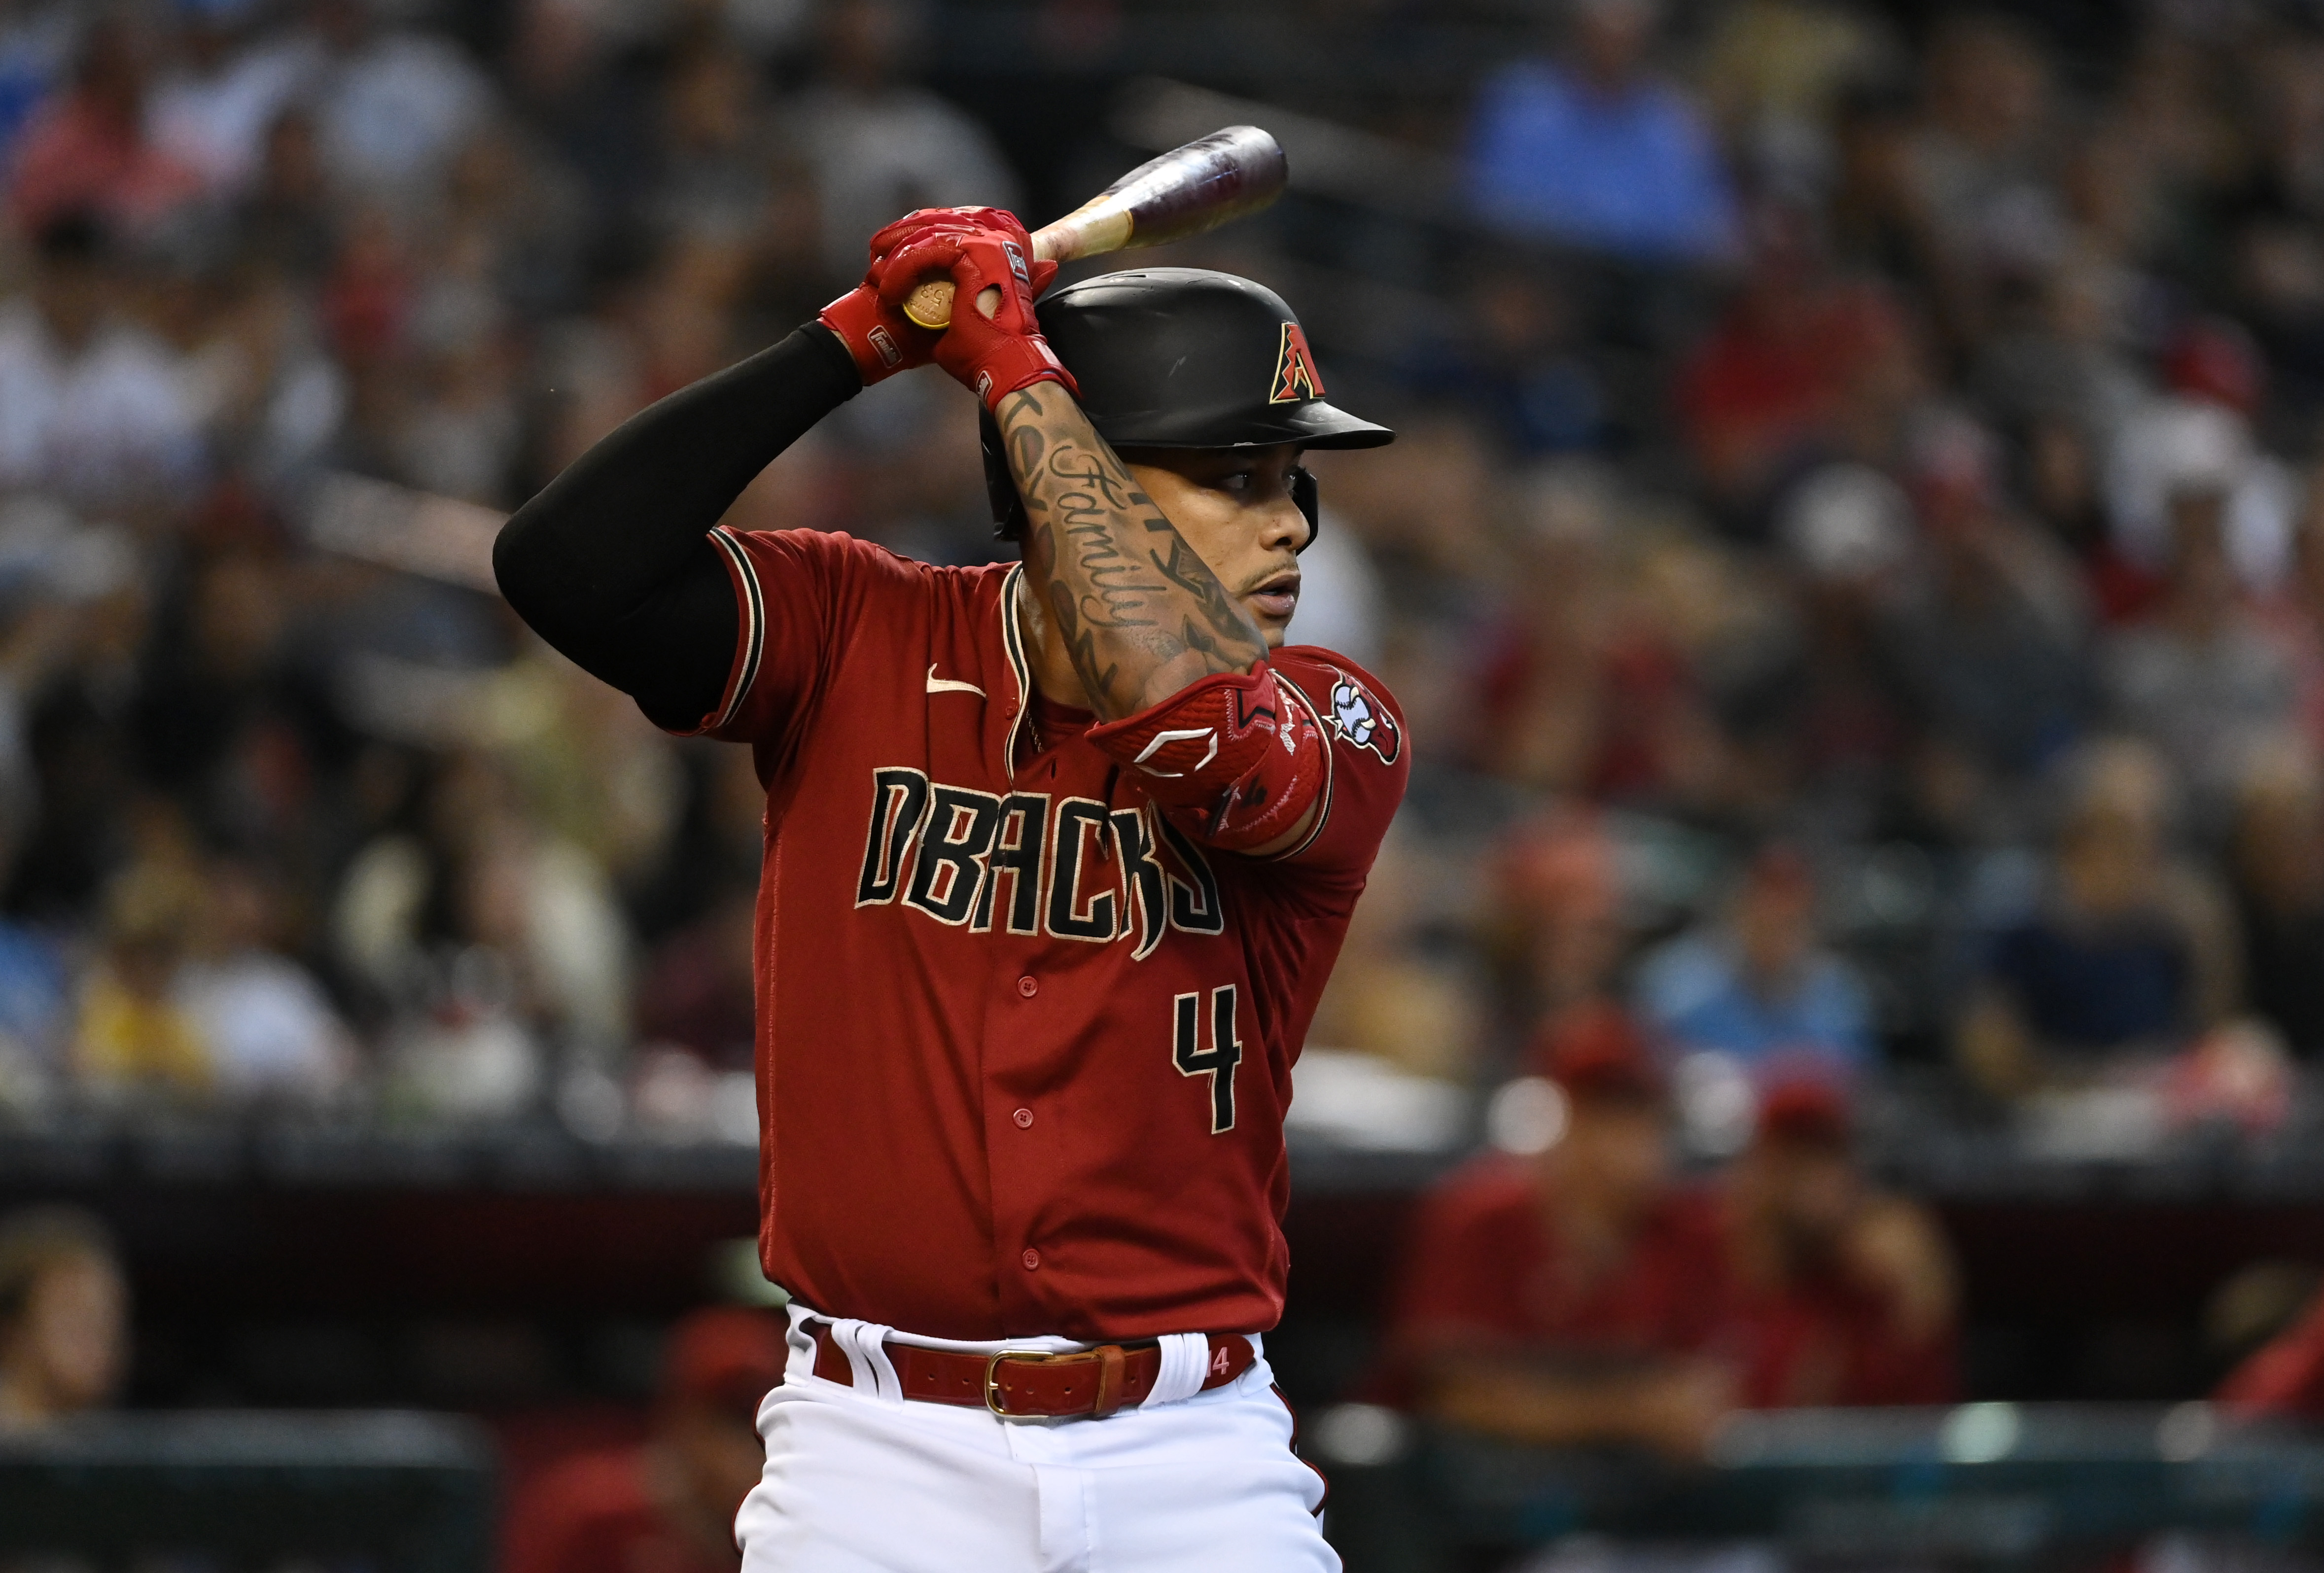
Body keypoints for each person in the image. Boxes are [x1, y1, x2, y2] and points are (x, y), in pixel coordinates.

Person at [493, 206, 1407, 1568]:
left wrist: (1011, 373)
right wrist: (855, 343)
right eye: (1241, 474)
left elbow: (1175, 705)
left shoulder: (1338, 719)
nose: (1289, 529)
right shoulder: (858, 627)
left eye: (1297, 485)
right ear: (1071, 479)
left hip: (1191, 1448)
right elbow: (564, 568)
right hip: (876, 1451)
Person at [1377, 1006, 1735, 1459]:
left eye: (1642, 1117)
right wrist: (1631, 1410)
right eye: (1600, 1113)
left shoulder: (1686, 1230)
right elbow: (1455, 1397)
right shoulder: (1478, 1217)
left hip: (1630, 1500)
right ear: (1560, 1116)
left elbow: (1705, 1388)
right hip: (1464, 1490)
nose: (1623, 1142)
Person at [1719, 1078, 1959, 1408]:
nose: (1806, 1183)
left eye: (1822, 1159)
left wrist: (1916, 1303)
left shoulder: (1872, 1275)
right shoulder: (1707, 1250)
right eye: (1788, 1160)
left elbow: (1920, 1418)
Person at [503, 1307, 789, 1573]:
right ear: (679, 1420)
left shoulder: (800, 1529)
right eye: (737, 1419)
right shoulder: (586, 1514)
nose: (757, 1443)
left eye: (776, 1422)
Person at [0, 1205, 128, 1429]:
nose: (100, 1345)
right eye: (75, 1322)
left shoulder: (105, 1444)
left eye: (108, 1322)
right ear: (13, 1332)